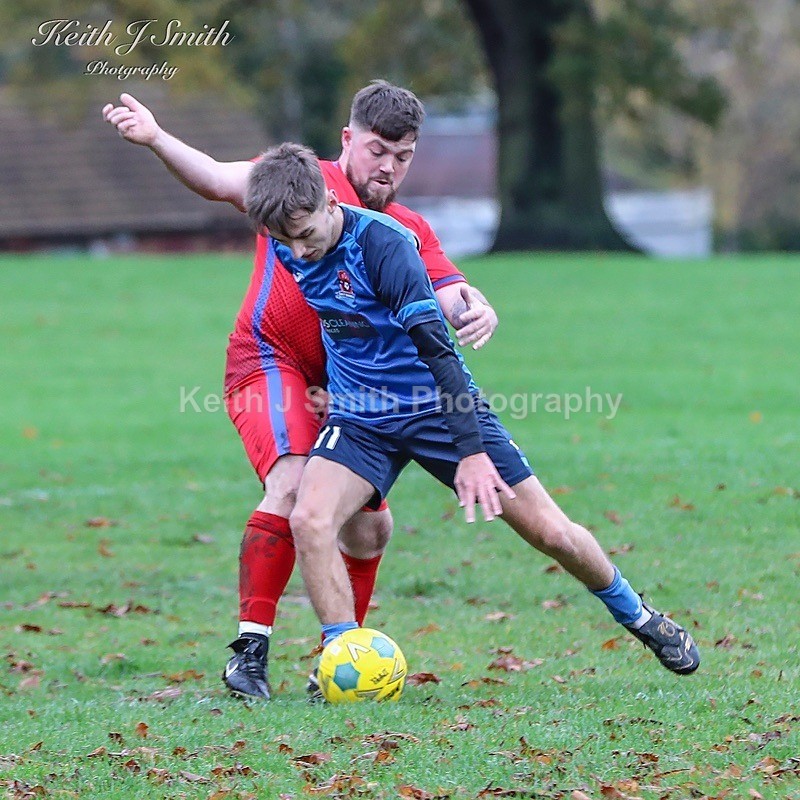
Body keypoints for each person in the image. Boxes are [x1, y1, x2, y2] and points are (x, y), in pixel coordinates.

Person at [102, 82, 500, 699]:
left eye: (402, 155)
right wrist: (155, 138)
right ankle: (249, 650)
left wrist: (476, 308)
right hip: (268, 361)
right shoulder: (295, 181)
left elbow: (447, 292)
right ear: (348, 140)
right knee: (289, 481)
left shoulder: (406, 229)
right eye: (376, 150)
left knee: (370, 532)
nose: (387, 166)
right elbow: (213, 178)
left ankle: (340, 659)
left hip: (342, 389)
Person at [244, 142, 701, 679]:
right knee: (309, 519)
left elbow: (440, 352)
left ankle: (642, 617)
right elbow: (334, 322)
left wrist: (472, 452)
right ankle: (346, 663)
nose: (296, 252)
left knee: (551, 533)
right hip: (361, 419)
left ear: (326, 202)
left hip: (438, 408)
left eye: (304, 235)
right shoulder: (288, 238)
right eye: (283, 241)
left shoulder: (384, 247)